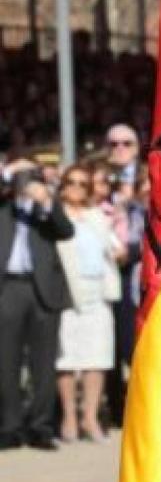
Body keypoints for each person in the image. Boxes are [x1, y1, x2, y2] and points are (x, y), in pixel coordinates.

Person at [0, 159, 74, 449]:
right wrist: (8, 173)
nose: (25, 182)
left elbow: (66, 231)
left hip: (43, 289)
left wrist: (46, 202)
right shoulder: (4, 207)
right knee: (6, 361)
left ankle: (41, 426)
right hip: (8, 288)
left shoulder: (45, 209)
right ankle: (10, 426)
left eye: (30, 176)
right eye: (20, 176)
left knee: (44, 362)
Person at [53, 164, 122, 442]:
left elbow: (115, 248)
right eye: (72, 182)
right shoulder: (56, 216)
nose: (77, 188)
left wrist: (119, 251)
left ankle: (90, 418)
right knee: (67, 359)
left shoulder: (97, 216)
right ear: (63, 186)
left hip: (99, 291)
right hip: (68, 293)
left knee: (97, 358)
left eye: (83, 184)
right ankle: (69, 417)